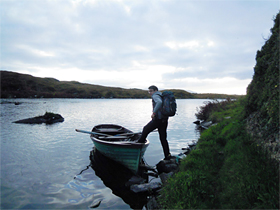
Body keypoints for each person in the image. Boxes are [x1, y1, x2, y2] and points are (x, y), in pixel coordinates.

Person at [138, 85, 171, 160]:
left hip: (158, 120)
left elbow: (159, 102)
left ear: (155, 90)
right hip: (164, 120)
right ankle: (167, 155)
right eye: (149, 91)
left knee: (145, 129)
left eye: (151, 91)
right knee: (163, 138)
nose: (150, 93)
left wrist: (154, 113)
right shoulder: (161, 95)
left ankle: (138, 147)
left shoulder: (155, 95)